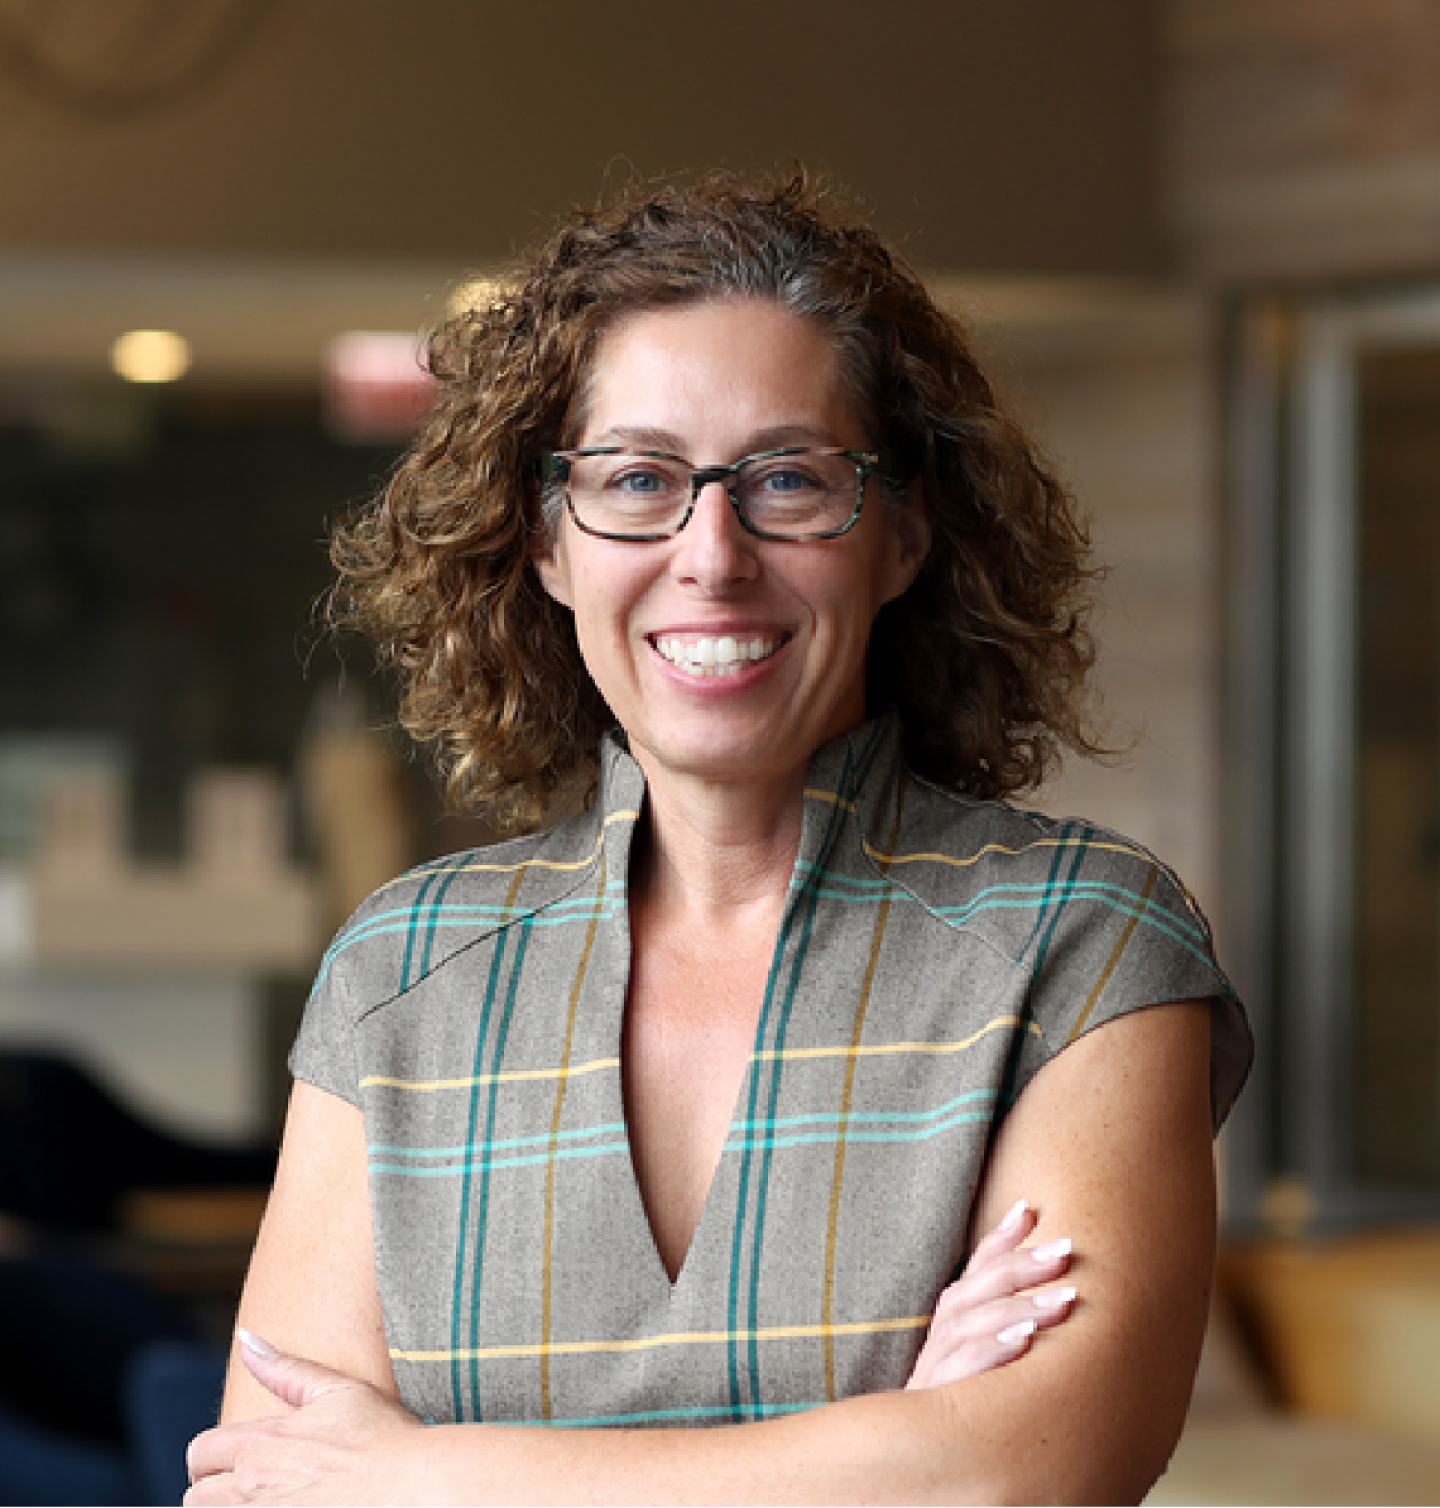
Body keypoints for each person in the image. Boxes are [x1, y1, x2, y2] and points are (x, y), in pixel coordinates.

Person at [184, 170, 1252, 1506]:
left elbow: (1014, 1480)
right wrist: (883, 1447)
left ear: (904, 530)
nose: (712, 553)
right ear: (549, 542)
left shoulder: (1082, 946)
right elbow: (265, 1490)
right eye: (636, 479)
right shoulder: (402, 974)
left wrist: (423, 1476)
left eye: (789, 479)